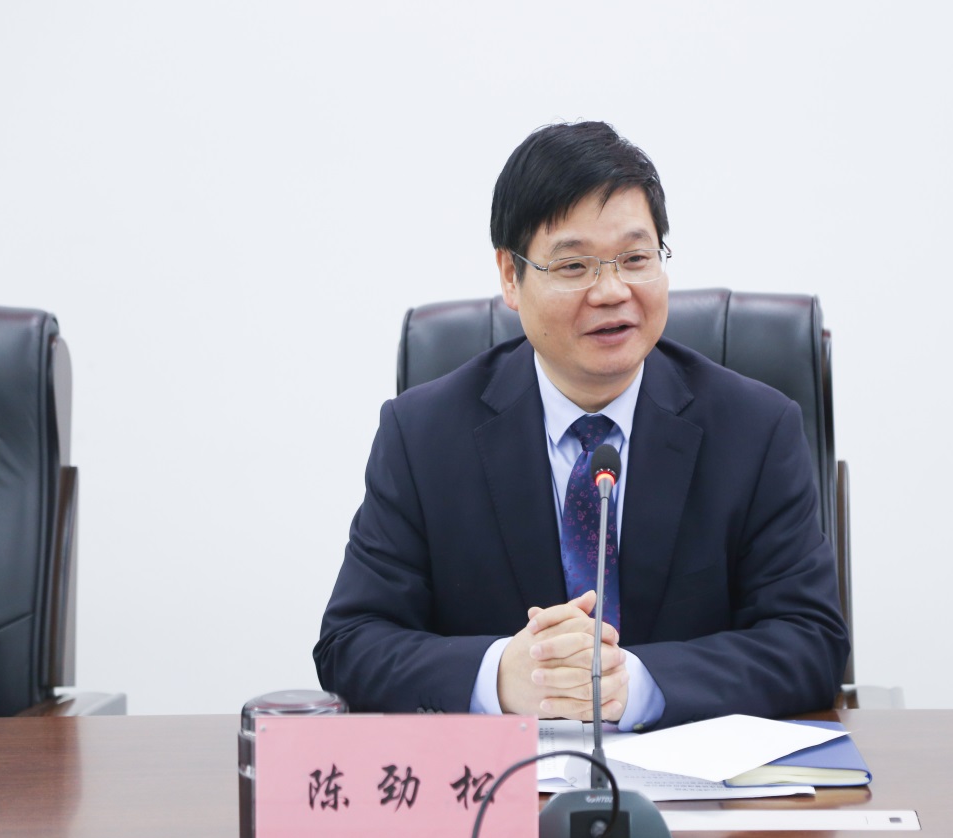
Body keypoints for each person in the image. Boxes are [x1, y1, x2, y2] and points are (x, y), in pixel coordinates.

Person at [314, 120, 849, 731]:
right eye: (573, 266)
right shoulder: (422, 436)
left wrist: (638, 685)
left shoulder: (756, 429)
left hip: (696, 784)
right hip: (504, 785)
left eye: (635, 258)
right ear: (511, 277)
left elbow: (811, 640)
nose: (612, 291)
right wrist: (500, 675)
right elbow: (351, 641)